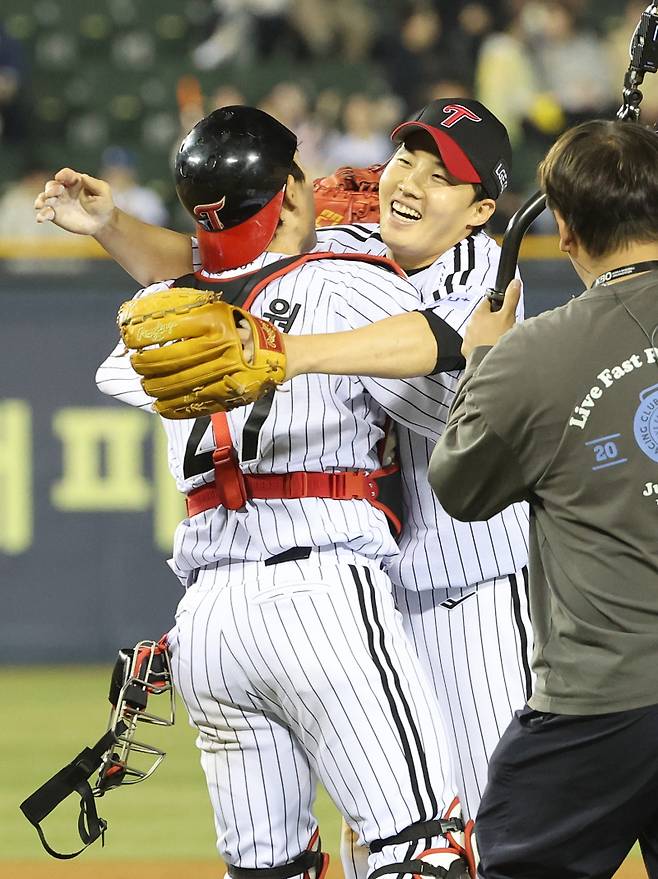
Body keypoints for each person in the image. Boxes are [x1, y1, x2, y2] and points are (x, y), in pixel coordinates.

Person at [35, 97, 532, 876]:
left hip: (463, 581)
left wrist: (277, 347)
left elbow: (446, 348)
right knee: (393, 836)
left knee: (496, 824)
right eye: (406, 158)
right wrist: (113, 226)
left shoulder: (482, 272)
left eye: (442, 179)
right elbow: (223, 265)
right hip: (359, 580)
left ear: (478, 211)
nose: (406, 182)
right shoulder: (344, 251)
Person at [427, 119, 658, 878]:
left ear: (564, 232)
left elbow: (459, 482)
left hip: (601, 701)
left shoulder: (535, 352)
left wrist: (483, 353)